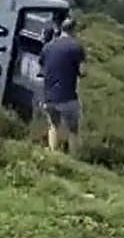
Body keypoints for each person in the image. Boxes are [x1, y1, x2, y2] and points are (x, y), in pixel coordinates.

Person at [38, 16, 86, 155]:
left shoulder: (48, 46)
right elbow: (83, 72)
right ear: (74, 29)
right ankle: (74, 156)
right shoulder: (76, 47)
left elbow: (41, 68)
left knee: (53, 125)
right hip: (68, 96)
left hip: (49, 96)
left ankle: (53, 154)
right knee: (73, 129)